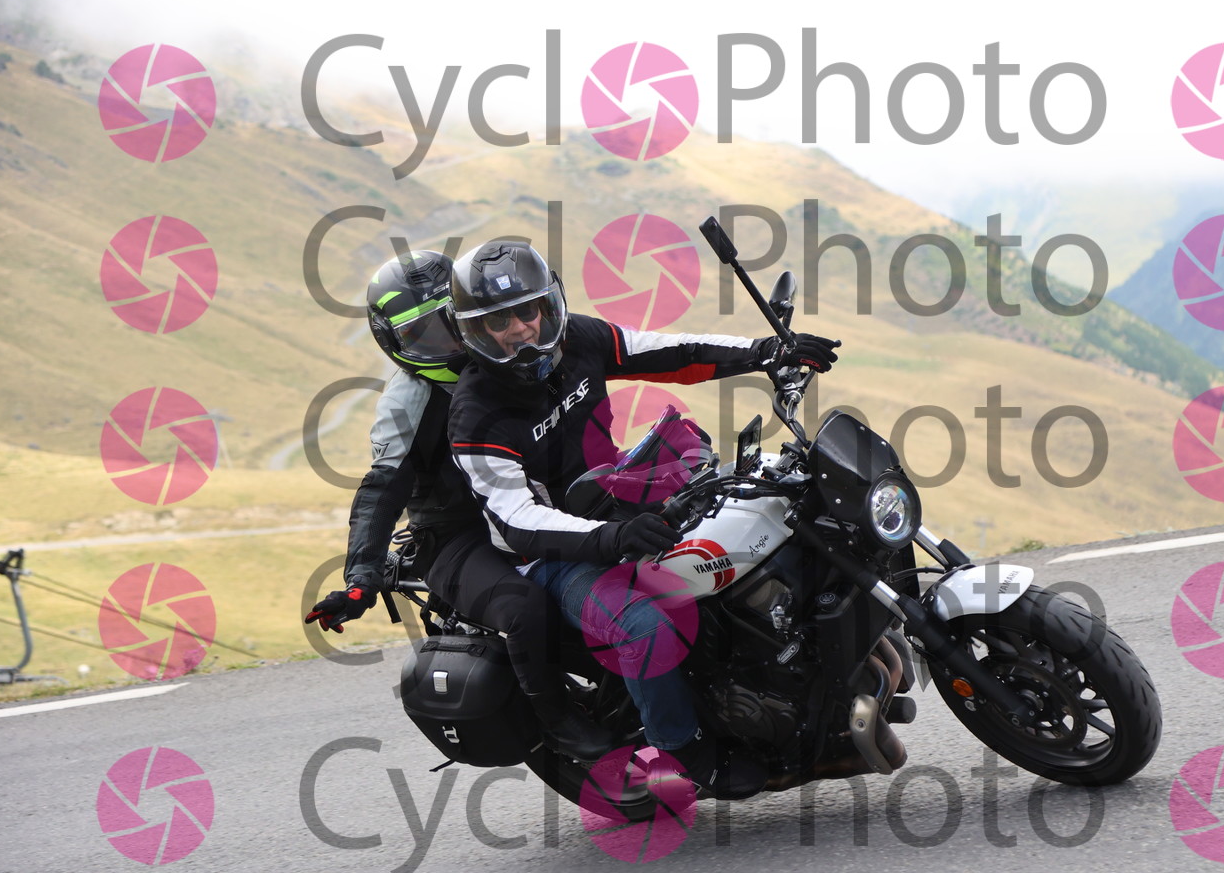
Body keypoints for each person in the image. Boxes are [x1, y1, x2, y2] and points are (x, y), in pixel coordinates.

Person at [445, 238, 839, 799]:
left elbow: (667, 351)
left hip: (614, 500)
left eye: (526, 311)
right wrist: (613, 538)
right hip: (552, 554)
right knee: (644, 626)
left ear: (547, 306)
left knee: (755, 511)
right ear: (475, 333)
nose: (520, 329)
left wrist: (764, 352)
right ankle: (685, 752)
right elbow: (518, 521)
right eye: (498, 321)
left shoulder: (578, 338)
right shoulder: (475, 413)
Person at [304, 249, 614, 764]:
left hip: (535, 504)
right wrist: (361, 578)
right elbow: (381, 491)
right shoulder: (407, 402)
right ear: (394, 344)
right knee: (522, 607)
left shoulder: (516, 355)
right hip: (458, 537)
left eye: (450, 321)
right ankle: (559, 721)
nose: (447, 342)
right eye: (423, 335)